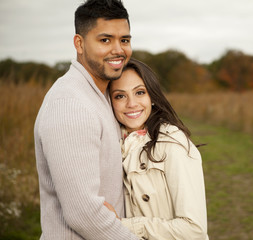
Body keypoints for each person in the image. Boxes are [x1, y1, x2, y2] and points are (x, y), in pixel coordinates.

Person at [34, 0, 139, 239]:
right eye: (105, 40)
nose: (118, 49)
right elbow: (84, 214)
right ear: (79, 44)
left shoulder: (99, 95)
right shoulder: (71, 105)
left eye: (124, 40)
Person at [106, 58, 209, 239]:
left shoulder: (172, 143)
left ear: (152, 96)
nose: (131, 103)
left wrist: (123, 226)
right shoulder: (111, 142)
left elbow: (194, 230)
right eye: (120, 96)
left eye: (139, 92)